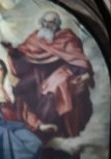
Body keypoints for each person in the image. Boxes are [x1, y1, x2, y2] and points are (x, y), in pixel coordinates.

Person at [7, 10, 95, 139]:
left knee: (52, 95)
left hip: (59, 72)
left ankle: (44, 127)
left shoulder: (66, 37)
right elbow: (23, 52)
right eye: (45, 22)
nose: (48, 25)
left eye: (52, 22)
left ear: (57, 23)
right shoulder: (35, 37)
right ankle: (29, 123)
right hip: (38, 73)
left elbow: (77, 58)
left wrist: (84, 73)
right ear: (42, 22)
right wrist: (13, 52)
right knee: (20, 89)